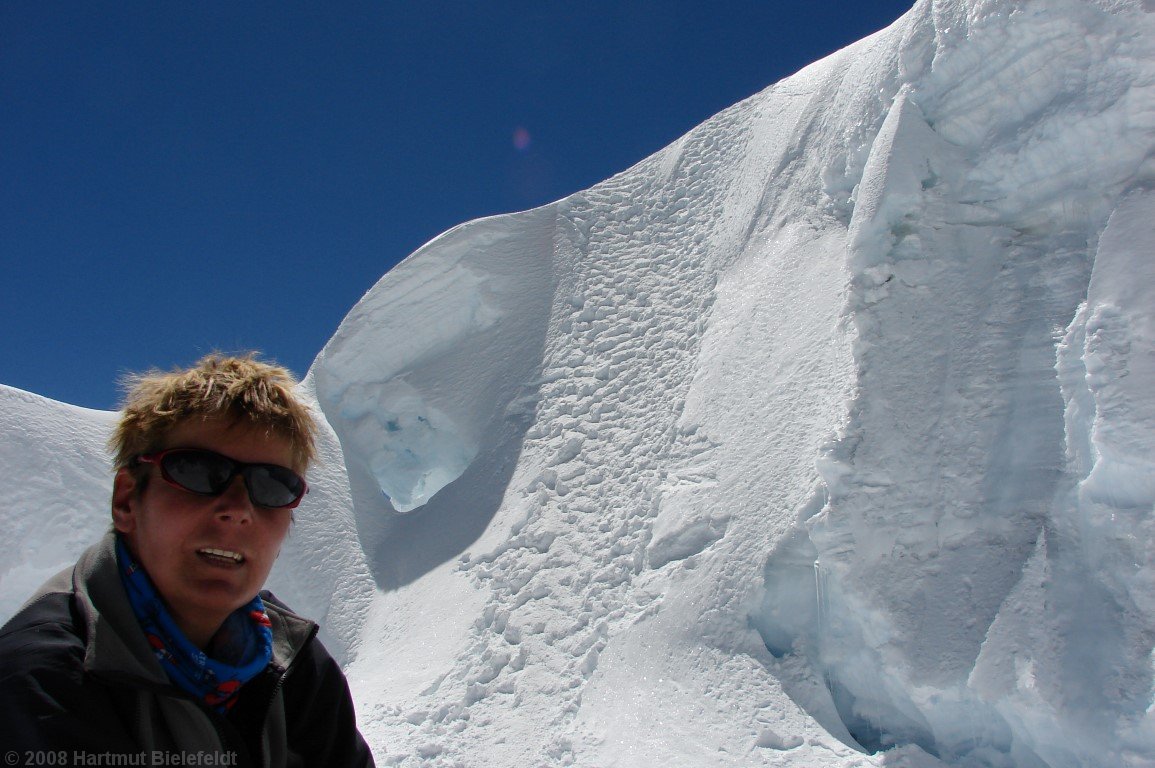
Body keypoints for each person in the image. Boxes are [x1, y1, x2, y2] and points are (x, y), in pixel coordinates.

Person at [0, 353, 375, 766]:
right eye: (198, 471)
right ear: (126, 499)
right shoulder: (42, 679)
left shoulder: (293, 661)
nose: (238, 508)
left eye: (272, 485)